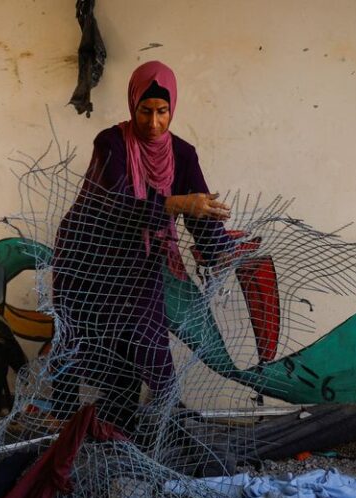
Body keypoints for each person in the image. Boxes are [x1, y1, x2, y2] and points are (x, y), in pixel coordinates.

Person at [50, 61, 231, 433]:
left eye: (162, 112)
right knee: (81, 344)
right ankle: (63, 435)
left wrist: (221, 251)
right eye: (145, 112)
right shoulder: (110, 143)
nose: (153, 123)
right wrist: (178, 203)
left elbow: (200, 213)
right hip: (87, 262)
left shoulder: (183, 154)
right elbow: (115, 203)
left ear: (173, 109)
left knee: (147, 346)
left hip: (139, 264)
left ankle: (138, 434)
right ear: (132, 106)